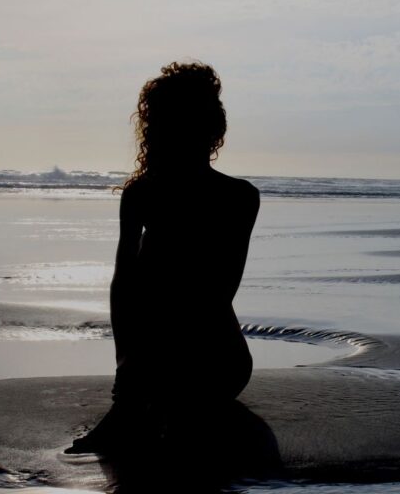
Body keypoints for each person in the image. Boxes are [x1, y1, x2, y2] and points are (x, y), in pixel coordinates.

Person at [65, 61, 260, 455]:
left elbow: (216, 294)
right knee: (145, 270)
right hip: (173, 360)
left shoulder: (237, 196)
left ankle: (138, 406)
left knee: (153, 270)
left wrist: (134, 370)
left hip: (214, 360)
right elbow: (124, 286)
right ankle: (138, 403)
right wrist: (127, 368)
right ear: (216, 128)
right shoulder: (145, 193)